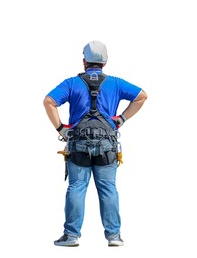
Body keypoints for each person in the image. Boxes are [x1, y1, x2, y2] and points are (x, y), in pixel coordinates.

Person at [43, 40, 147, 247]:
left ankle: (71, 236)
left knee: (76, 187)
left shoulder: (71, 83)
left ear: (84, 61)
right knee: (108, 188)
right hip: (106, 145)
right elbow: (142, 96)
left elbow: (49, 101)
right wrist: (122, 119)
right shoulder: (116, 83)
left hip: (78, 144)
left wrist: (61, 128)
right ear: (105, 63)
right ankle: (114, 237)